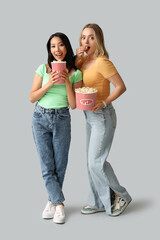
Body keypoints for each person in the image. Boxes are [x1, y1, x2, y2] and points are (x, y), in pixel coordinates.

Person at [75, 23, 132, 216]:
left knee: (95, 162)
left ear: (98, 40)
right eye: (83, 37)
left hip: (102, 116)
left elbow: (121, 86)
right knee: (90, 162)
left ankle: (121, 195)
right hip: (88, 116)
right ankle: (98, 201)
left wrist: (105, 102)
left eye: (91, 37)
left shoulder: (102, 62)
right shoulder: (82, 62)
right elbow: (77, 80)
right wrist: (77, 57)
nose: (87, 41)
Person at [30, 32, 82, 224]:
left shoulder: (76, 72)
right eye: (53, 46)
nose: (57, 50)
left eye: (60, 45)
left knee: (59, 165)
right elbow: (32, 97)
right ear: (49, 50)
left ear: (66, 48)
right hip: (40, 118)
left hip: (62, 118)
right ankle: (59, 205)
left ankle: (52, 201)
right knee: (46, 165)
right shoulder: (43, 69)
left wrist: (67, 80)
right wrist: (49, 83)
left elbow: (74, 104)